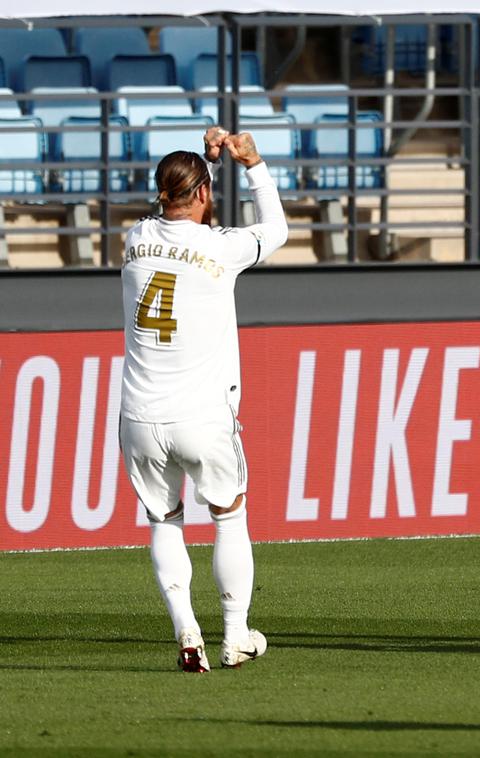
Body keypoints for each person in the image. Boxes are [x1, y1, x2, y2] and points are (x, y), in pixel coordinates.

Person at [120, 127, 287, 672]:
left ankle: (186, 632)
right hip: (204, 416)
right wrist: (251, 162)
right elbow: (277, 230)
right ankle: (235, 634)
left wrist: (200, 160)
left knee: (164, 520)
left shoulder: (134, 238)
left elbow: (170, 210)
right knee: (228, 517)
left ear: (161, 194)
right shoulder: (222, 248)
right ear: (207, 194)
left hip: (141, 416)